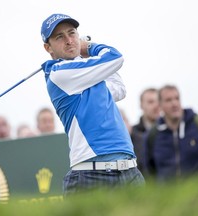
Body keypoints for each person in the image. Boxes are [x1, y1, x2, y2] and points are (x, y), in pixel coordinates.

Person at [40, 13, 145, 196]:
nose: (69, 40)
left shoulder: (86, 75)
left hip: (130, 172)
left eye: (72, 33)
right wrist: (88, 47)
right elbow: (114, 57)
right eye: (59, 37)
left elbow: (118, 89)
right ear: (48, 48)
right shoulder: (59, 73)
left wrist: (86, 56)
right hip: (91, 175)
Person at [144, 84, 198, 182]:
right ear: (160, 105)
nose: (174, 103)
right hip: (171, 196)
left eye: (177, 98)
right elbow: (150, 171)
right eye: (168, 100)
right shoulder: (153, 135)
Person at [130, 88, 160, 173]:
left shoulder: (169, 132)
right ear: (141, 105)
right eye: (151, 102)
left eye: (158, 101)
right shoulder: (131, 134)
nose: (156, 106)